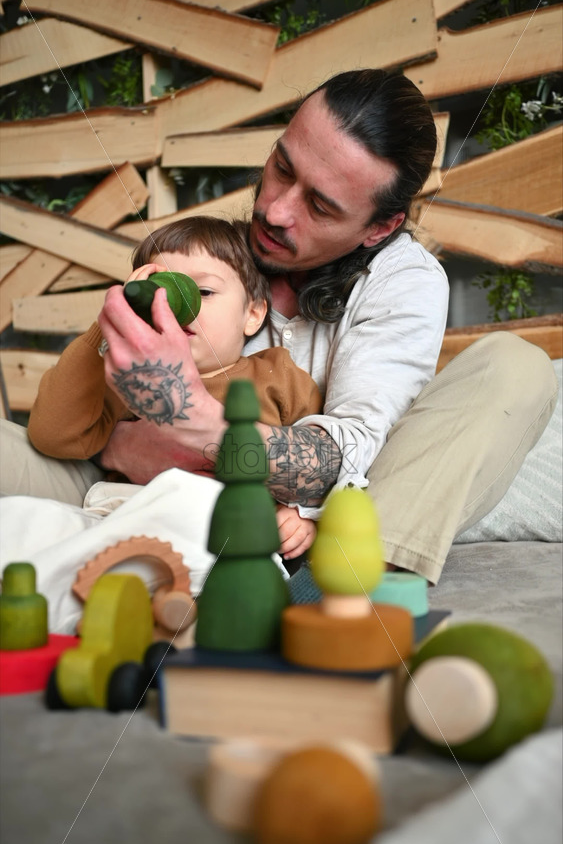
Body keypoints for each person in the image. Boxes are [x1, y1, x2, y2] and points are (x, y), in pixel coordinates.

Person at [1, 69, 557, 585]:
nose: (275, 212)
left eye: (320, 206)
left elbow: (347, 458)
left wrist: (188, 421)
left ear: (379, 226)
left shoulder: (404, 280)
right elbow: (80, 430)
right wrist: (123, 434)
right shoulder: (212, 259)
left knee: (518, 369)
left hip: (312, 523)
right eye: (282, 168)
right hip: (125, 491)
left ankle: (329, 587)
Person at [25, 216, 322, 562]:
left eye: (204, 292)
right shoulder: (130, 378)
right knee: (28, 524)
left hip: (226, 539)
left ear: (253, 314)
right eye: (160, 294)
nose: (177, 308)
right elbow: (51, 434)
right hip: (129, 525)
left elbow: (321, 467)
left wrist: (303, 514)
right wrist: (110, 325)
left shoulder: (277, 375)